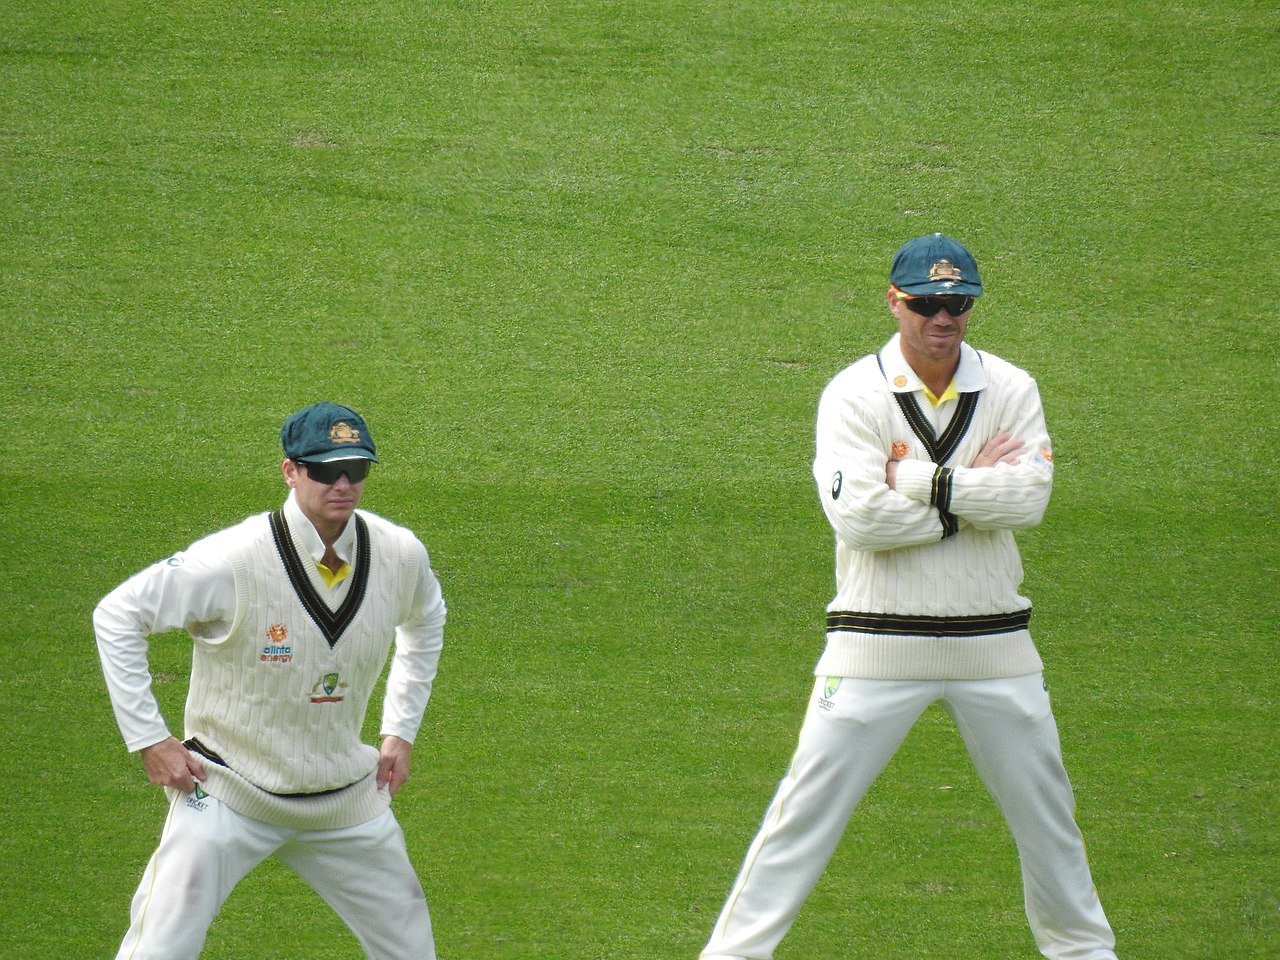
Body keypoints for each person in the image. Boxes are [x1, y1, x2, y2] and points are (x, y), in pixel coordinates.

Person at [701, 234, 1118, 960]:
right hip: (873, 646)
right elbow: (859, 519)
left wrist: (920, 480)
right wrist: (969, 491)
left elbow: (1029, 499)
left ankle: (1086, 954)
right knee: (801, 819)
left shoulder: (1012, 387)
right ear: (894, 302)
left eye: (958, 302)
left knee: (1050, 823)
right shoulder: (853, 393)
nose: (943, 317)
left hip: (995, 645)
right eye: (927, 302)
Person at [94, 401, 446, 960]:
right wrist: (149, 739)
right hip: (227, 791)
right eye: (326, 470)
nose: (344, 483)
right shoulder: (231, 560)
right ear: (290, 471)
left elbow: (426, 623)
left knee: (411, 948)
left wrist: (400, 728)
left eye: (357, 469)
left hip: (344, 801)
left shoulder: (401, 554)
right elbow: (116, 615)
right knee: (159, 946)